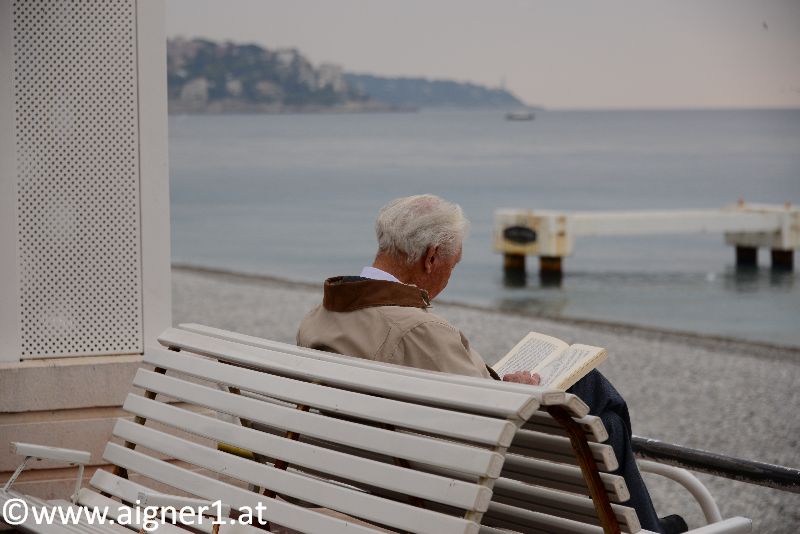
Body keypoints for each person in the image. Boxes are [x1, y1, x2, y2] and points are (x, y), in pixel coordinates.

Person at [297, 194, 685, 534]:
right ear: (431, 257)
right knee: (597, 398)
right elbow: (483, 433)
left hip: (373, 481)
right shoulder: (417, 330)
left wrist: (501, 388)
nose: (450, 276)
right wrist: (519, 395)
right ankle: (643, 528)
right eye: (454, 264)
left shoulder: (321, 317)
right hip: (451, 495)